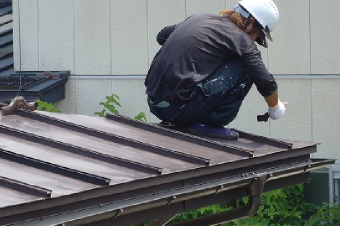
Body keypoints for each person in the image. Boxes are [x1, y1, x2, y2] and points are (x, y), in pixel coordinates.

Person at [145, 0, 286, 140]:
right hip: (179, 111)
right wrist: (275, 108)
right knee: (246, 67)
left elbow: (162, 36)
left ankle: (186, 111)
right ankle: (207, 124)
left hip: (154, 103)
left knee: (231, 58)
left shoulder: (199, 19)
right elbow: (265, 82)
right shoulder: (242, 41)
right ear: (251, 22)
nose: (255, 40)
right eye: (258, 35)